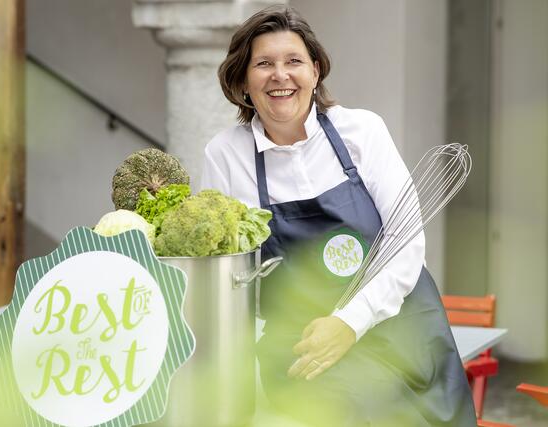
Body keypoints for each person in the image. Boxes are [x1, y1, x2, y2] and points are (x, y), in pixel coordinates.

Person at [200, 5, 477, 427]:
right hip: (304, 347)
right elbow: (224, 273)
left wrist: (349, 322)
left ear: (315, 71)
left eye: (293, 61)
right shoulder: (225, 155)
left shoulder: (361, 131)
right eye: (263, 64)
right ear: (242, 80)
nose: (280, 76)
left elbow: (407, 244)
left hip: (399, 328)